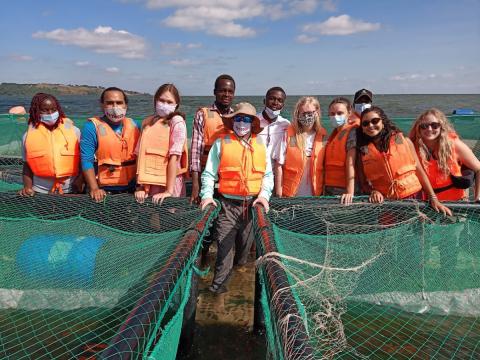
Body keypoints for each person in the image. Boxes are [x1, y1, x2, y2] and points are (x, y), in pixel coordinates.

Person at [200, 102, 273, 294]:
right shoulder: (220, 143)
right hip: (227, 207)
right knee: (224, 251)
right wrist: (206, 196)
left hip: (252, 207)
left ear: (252, 123)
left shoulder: (261, 145)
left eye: (246, 119)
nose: (241, 123)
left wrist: (264, 196)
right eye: (238, 119)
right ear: (232, 122)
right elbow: (209, 174)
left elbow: (268, 175)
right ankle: (217, 290)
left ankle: (239, 285)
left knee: (243, 255)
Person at [356, 106, 451, 215]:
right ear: (362, 128)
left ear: (383, 122)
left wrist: (433, 198)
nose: (371, 125)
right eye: (365, 123)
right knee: (391, 231)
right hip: (386, 204)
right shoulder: (362, 152)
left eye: (375, 121)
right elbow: (363, 183)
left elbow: (419, 171)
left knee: (417, 230)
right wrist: (373, 191)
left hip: (414, 199)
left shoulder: (404, 141)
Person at [81, 87, 140, 202]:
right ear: (102, 105)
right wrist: (94, 188)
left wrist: (141, 186)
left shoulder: (135, 125)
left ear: (125, 105)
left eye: (119, 103)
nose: (115, 107)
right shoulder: (91, 127)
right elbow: (86, 159)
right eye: (109, 103)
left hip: (132, 189)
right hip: (104, 189)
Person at [409, 108, 480, 202]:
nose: (429, 129)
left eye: (434, 125)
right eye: (424, 126)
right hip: (425, 204)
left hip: (456, 203)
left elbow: (478, 168)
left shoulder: (454, 145)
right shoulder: (411, 147)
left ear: (441, 127)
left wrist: (478, 197)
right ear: (418, 128)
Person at [134, 84, 188, 204]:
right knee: (152, 218)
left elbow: (174, 157)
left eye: (169, 102)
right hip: (149, 182)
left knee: (169, 217)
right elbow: (139, 155)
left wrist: (169, 191)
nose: (165, 105)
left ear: (176, 105)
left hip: (170, 181)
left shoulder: (177, 123)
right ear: (155, 101)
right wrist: (140, 186)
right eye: (162, 100)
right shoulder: (147, 123)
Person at [20, 93, 81, 196]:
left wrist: (81, 180)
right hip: (40, 190)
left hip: (71, 189)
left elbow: (84, 160)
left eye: (54, 109)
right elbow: (27, 165)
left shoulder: (75, 131)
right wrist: (27, 187)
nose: (50, 113)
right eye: (45, 110)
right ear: (36, 111)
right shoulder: (27, 136)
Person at [190, 74, 235, 204]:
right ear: (215, 92)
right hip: (207, 174)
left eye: (230, 91)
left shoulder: (236, 117)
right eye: (222, 90)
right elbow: (195, 152)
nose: (226, 94)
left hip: (228, 176)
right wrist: (195, 185)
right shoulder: (202, 114)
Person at [274, 96, 326, 197]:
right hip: (291, 195)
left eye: (310, 113)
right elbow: (279, 164)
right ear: (298, 114)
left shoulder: (323, 136)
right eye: (304, 113)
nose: (307, 117)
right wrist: (278, 192)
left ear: (317, 113)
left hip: (315, 195)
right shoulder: (288, 134)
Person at [323, 97, 358, 204]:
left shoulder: (352, 132)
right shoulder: (334, 134)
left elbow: (351, 163)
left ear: (349, 113)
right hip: (330, 189)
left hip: (343, 191)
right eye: (332, 114)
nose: (335, 117)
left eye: (340, 113)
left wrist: (350, 192)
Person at [256, 87, 290, 160]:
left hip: (276, 168)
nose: (275, 103)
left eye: (280, 100)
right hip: (257, 167)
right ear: (264, 101)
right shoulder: (254, 121)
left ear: (283, 105)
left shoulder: (286, 124)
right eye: (272, 99)